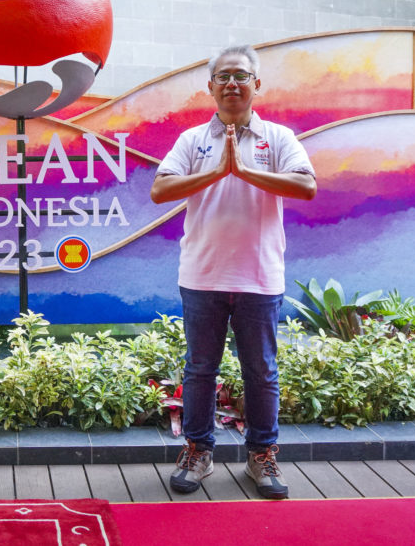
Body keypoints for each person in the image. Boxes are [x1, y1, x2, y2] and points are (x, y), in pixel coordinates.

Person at [149, 44, 316, 500]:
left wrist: (243, 170)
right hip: (202, 275)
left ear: (256, 84)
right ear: (210, 87)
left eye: (241, 76)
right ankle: (198, 451)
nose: (231, 84)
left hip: (259, 277)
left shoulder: (277, 138)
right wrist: (218, 169)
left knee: (261, 371)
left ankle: (261, 456)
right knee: (200, 369)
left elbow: (306, 185)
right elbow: (160, 190)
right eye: (223, 77)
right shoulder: (192, 141)